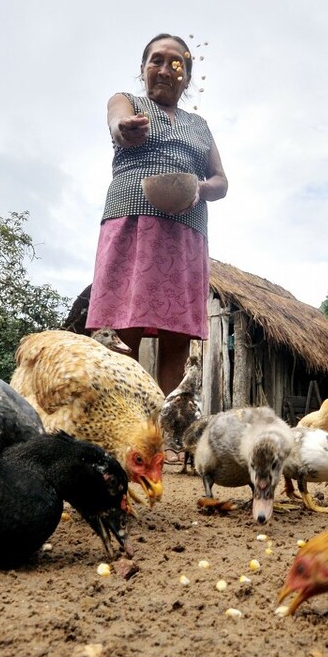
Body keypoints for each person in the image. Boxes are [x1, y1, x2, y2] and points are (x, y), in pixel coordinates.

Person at [86, 33, 228, 396]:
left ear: (187, 75)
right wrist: (125, 129)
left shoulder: (200, 126)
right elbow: (117, 123)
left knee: (177, 338)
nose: (165, 69)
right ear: (143, 68)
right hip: (132, 221)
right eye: (156, 60)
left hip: (186, 228)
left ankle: (164, 436)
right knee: (123, 332)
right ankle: (123, 428)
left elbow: (221, 182)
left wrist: (199, 188)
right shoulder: (126, 102)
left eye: (175, 63)